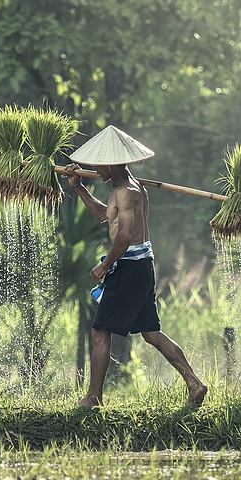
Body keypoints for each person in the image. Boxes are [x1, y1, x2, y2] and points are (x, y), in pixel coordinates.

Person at [64, 125, 207, 407]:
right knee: (151, 332)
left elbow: (126, 236)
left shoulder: (128, 191)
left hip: (129, 267)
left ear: (112, 164)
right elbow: (106, 217)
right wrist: (79, 188)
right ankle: (195, 383)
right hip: (140, 265)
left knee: (100, 330)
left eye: (100, 164)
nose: (96, 169)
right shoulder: (125, 188)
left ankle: (93, 397)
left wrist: (105, 265)